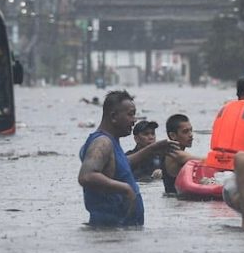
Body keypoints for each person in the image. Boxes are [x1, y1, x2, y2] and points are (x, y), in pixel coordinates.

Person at [78, 90, 178, 226]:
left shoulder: (111, 141)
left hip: (121, 231)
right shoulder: (102, 142)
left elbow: (121, 165)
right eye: (130, 114)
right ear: (113, 116)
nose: (134, 120)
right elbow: (87, 176)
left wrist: (152, 149)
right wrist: (125, 188)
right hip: (110, 232)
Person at [160, 114, 200, 194]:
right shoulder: (176, 154)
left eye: (191, 130)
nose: (191, 135)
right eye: (185, 132)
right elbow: (205, 161)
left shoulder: (170, 151)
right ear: (173, 135)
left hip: (172, 200)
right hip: (176, 202)